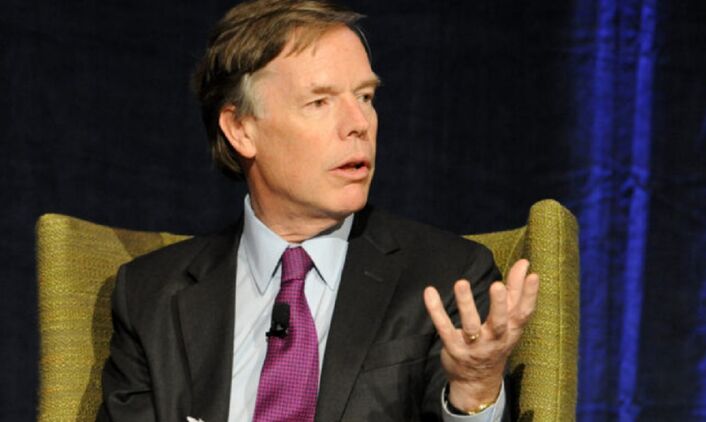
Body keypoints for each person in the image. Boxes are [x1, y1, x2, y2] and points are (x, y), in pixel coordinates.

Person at [97, 1, 539, 421]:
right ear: (241, 129)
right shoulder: (152, 297)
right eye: (320, 102)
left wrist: (474, 393)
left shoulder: (448, 277)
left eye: (365, 96)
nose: (359, 124)